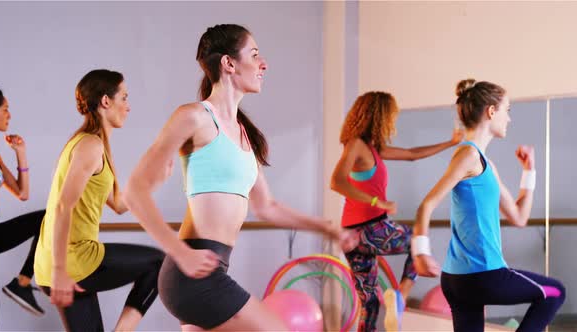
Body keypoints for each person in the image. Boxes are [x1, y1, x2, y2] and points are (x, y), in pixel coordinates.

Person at [123, 24, 349, 331]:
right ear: (229, 64)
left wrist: (324, 227)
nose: (263, 64)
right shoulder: (194, 117)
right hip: (191, 273)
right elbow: (135, 191)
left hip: (210, 270)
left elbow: (266, 207)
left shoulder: (245, 135)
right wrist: (181, 254)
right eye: (254, 55)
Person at [413, 79, 565, 332]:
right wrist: (421, 252)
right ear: (491, 111)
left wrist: (529, 171)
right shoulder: (468, 155)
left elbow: (518, 217)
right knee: (555, 292)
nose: (509, 118)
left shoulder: (484, 163)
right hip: (483, 275)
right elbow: (427, 204)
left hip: (459, 281)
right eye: (507, 110)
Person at [33, 69, 164, 332]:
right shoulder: (90, 146)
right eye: (124, 98)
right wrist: (61, 270)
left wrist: (155, 177)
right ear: (106, 101)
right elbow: (62, 206)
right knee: (159, 264)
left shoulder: (93, 145)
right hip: (72, 261)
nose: (128, 106)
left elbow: (118, 204)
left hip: (58, 264)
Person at [331, 91, 463, 331]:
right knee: (416, 241)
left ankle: (394, 304)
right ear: (379, 116)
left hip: (352, 236)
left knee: (370, 305)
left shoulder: (372, 149)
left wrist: (450, 143)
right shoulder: (356, 145)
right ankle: (400, 297)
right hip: (369, 229)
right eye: (391, 116)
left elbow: (412, 155)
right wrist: (376, 201)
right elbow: (337, 181)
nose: (393, 121)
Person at [0, 85, 46, 330]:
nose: (9, 114)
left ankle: (22, 282)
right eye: (5, 109)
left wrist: (20, 153)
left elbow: (22, 193)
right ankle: (21, 284)